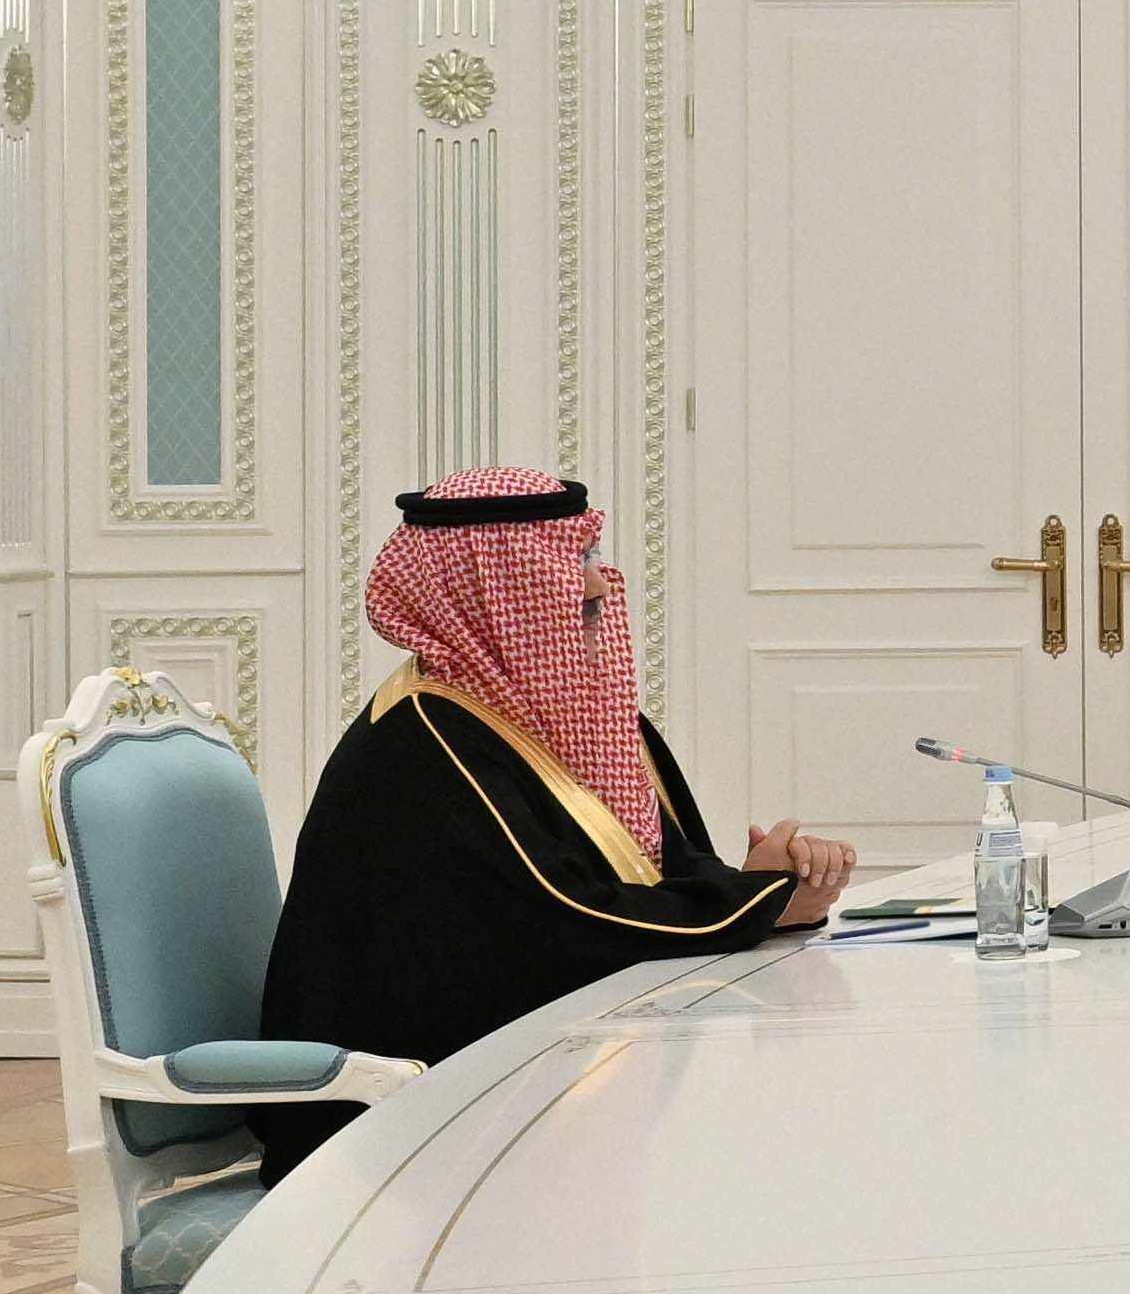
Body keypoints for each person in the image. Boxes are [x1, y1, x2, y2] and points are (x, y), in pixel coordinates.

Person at [255, 471, 856, 1169]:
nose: (598, 584)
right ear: (489, 590)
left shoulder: (579, 714)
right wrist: (757, 903)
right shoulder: (421, 744)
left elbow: (666, 864)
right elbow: (566, 920)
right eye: (570, 561)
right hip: (405, 1133)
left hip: (530, 1080)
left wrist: (766, 888)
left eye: (592, 555)